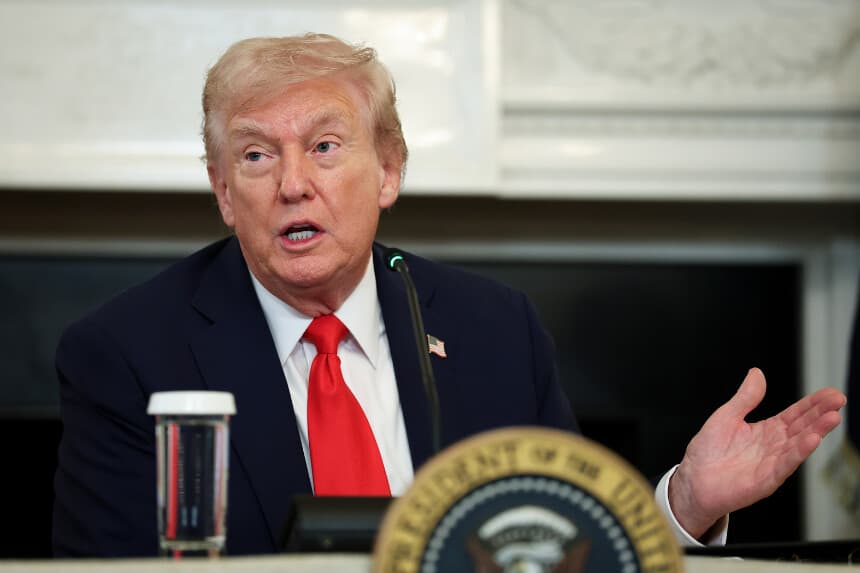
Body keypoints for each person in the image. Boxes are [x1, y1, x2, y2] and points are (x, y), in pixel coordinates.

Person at [51, 33, 847, 557]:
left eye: (325, 147)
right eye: (256, 157)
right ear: (224, 192)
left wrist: (685, 502)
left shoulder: (494, 327)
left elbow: (561, 547)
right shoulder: (127, 352)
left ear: (389, 170)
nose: (293, 184)